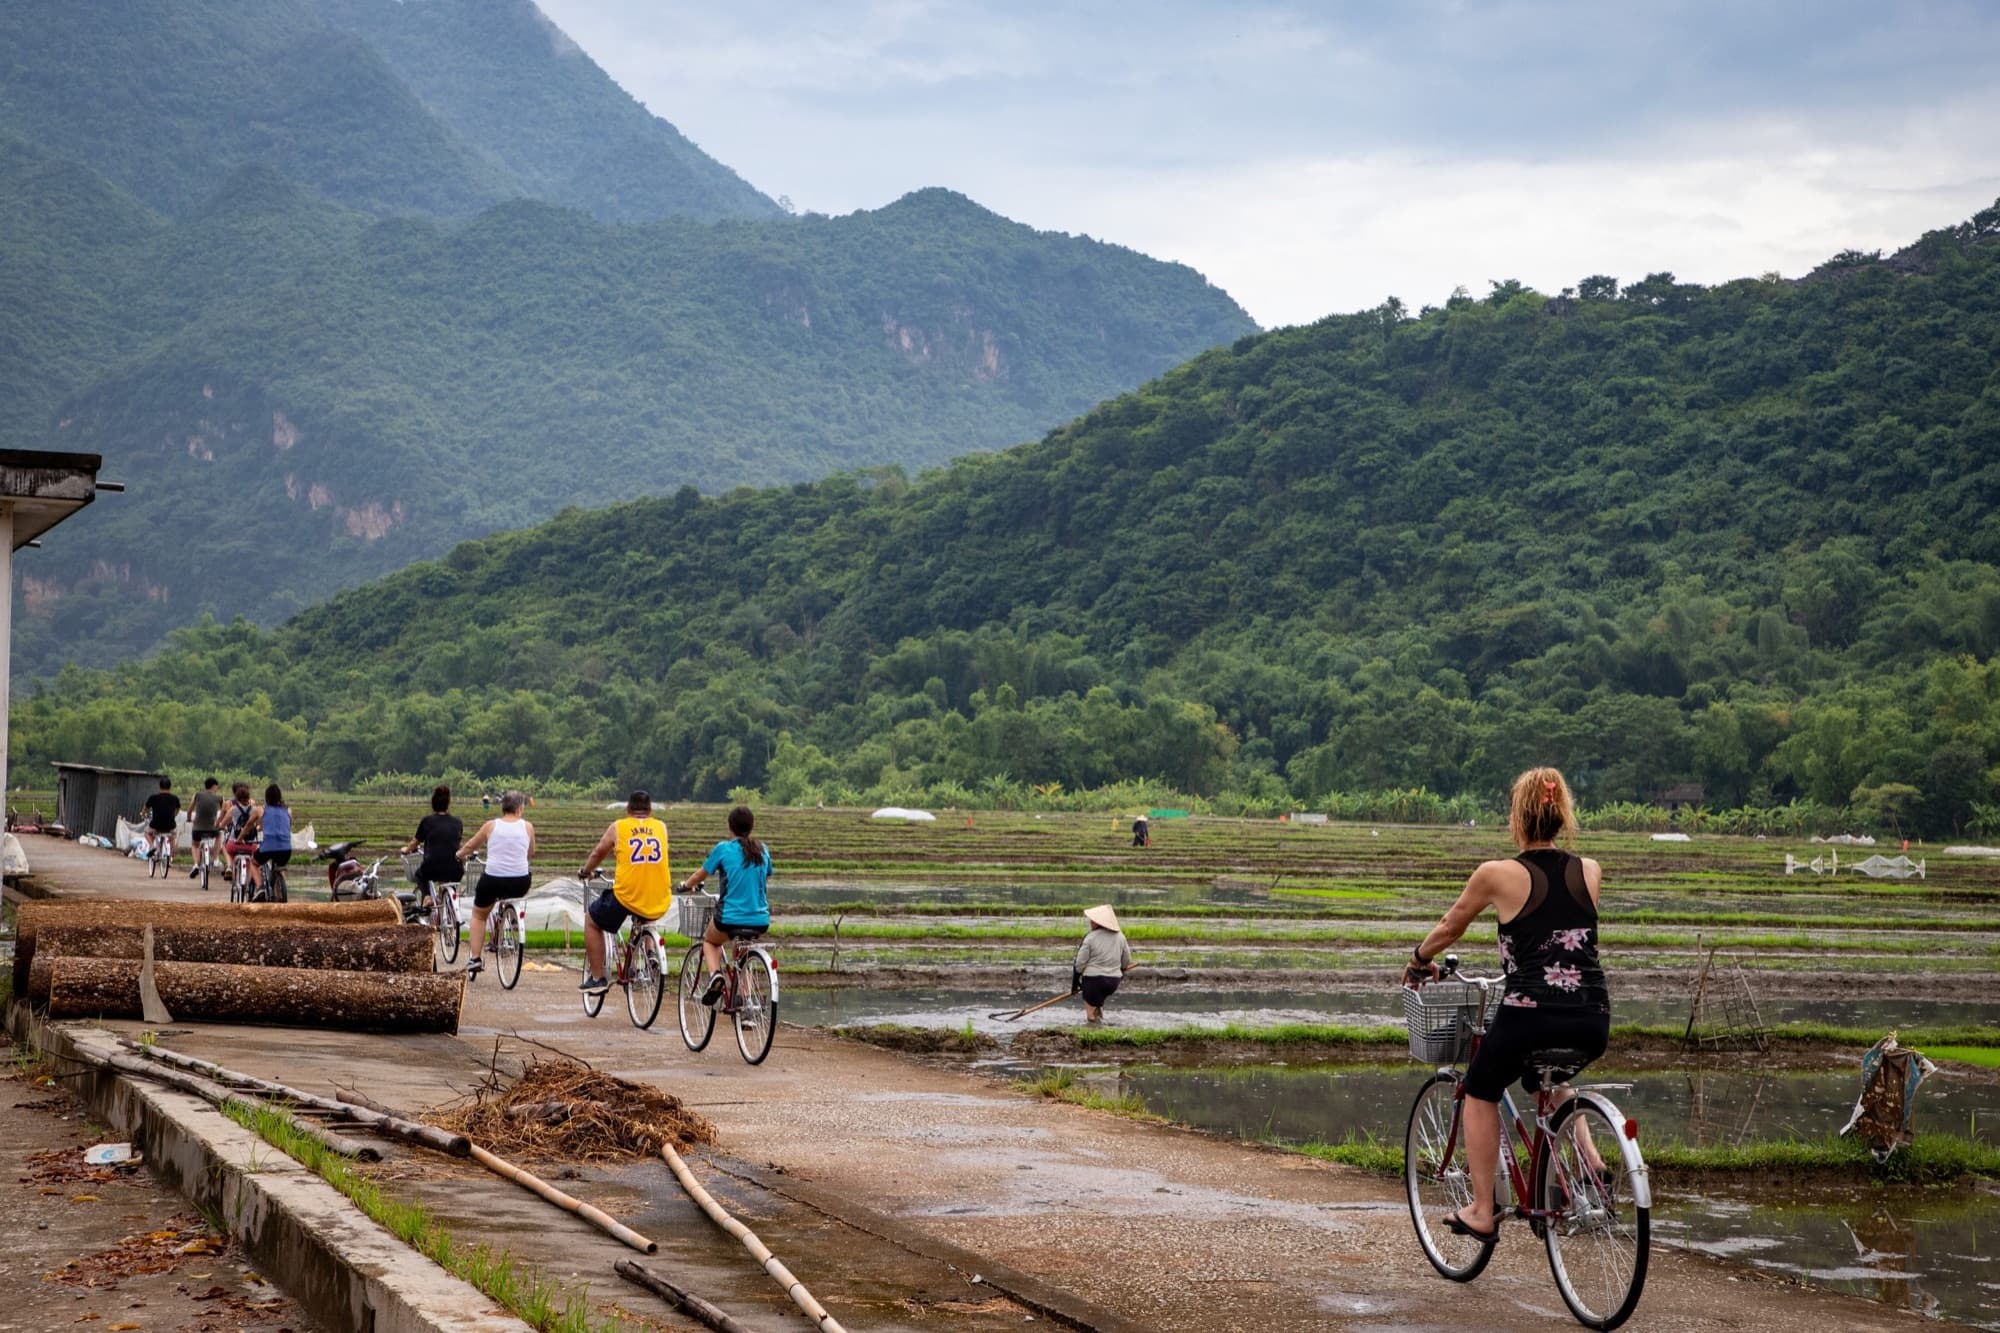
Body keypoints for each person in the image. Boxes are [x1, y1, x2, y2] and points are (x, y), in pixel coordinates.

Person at [1402, 767, 1611, 1245]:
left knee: (1479, 1089)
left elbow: (1451, 926)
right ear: (1562, 817)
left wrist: (1418, 959)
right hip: (1592, 1016)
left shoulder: (1497, 873)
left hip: (1530, 1014)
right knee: (1555, 1079)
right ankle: (1592, 1164)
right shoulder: (1590, 870)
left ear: (1517, 818)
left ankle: (1480, 1208)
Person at [576, 791, 672, 996]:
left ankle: (597, 978)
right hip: (659, 895)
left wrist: (585, 872)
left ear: (628, 809)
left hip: (627, 895)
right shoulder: (661, 827)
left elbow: (598, 853)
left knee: (592, 920)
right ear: (650, 810)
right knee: (646, 913)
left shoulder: (619, 827)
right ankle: (650, 952)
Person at [678, 806, 771, 1006]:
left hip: (729, 917)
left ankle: (715, 976)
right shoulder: (762, 850)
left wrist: (686, 885)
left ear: (730, 827)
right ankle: (745, 1000)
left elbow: (700, 874)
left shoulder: (724, 849)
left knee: (711, 942)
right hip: (760, 919)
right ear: (751, 827)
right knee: (743, 953)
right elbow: (765, 874)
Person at [456, 790, 534, 979]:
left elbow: (471, 845)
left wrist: (458, 855)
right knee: (511, 893)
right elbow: (530, 853)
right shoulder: (528, 827)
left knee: (479, 914)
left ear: (503, 807)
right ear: (520, 809)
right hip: (521, 881)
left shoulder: (491, 826)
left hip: (493, 880)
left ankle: (475, 958)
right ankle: (511, 919)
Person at [400, 785, 464, 911]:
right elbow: (456, 843)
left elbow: (415, 842)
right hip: (455, 869)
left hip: (432, 867)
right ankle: (450, 901)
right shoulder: (457, 822)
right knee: (450, 878)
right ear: (448, 803)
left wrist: (406, 850)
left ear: (433, 803)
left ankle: (427, 896)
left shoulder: (427, 821)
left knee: (419, 874)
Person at [1072, 904, 1134, 1023]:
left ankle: (1093, 1032)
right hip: (1113, 982)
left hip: (1093, 981)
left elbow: (1079, 964)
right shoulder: (1121, 937)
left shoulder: (1090, 938)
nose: (1090, 922)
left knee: (1090, 1016)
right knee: (1098, 1004)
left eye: (1092, 920)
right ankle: (1101, 1029)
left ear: (1098, 922)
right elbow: (1126, 961)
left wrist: (1075, 985)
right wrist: (1120, 970)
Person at [253, 783, 295, 901]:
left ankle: (259, 887)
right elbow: (287, 826)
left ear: (267, 797)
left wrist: (240, 837)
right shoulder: (288, 810)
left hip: (268, 847)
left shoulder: (261, 810)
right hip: (286, 848)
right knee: (279, 867)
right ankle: (279, 892)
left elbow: (250, 826)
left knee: (253, 862)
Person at [221, 781, 259, 891]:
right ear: (249, 796)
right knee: (253, 861)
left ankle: (230, 866)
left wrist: (220, 826)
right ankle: (249, 883)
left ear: (236, 797)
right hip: (250, 845)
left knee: (227, 849)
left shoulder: (233, 809)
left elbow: (223, 824)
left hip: (235, 843)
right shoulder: (255, 810)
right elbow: (260, 826)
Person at [187, 777, 223, 883]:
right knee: (219, 835)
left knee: (195, 845)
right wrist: (219, 822)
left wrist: (189, 818)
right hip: (213, 829)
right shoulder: (220, 798)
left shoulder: (197, 795)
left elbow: (189, 810)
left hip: (198, 829)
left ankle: (195, 865)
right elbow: (225, 810)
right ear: (214, 786)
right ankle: (216, 859)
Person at [139, 776, 180, 863]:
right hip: (170, 824)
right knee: (172, 835)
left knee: (147, 832)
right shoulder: (174, 798)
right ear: (170, 787)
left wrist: (143, 814)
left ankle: (151, 846)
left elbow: (145, 809)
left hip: (156, 824)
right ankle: (172, 853)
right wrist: (173, 815)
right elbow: (177, 809)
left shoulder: (153, 797)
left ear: (160, 786)